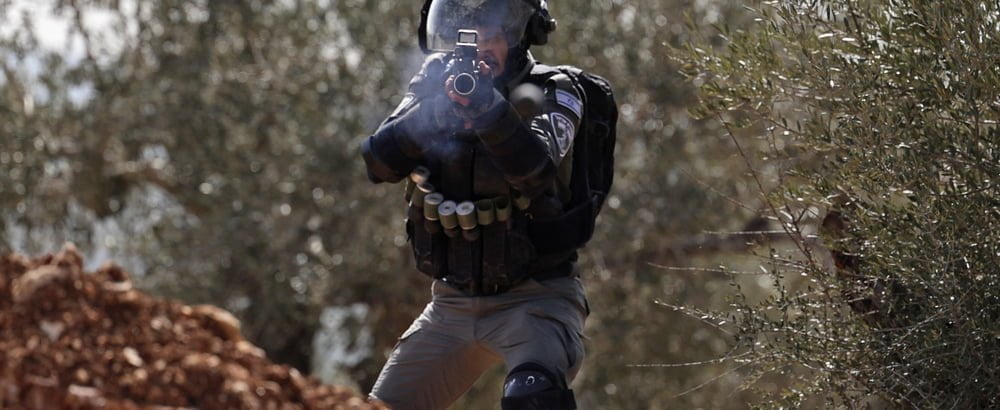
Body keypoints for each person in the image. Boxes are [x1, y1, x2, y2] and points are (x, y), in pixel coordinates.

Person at [361, 1, 612, 408]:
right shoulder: (433, 83)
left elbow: (536, 169)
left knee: (533, 397)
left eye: (492, 36)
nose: (480, 47)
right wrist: (435, 113)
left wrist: (488, 110)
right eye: (469, 34)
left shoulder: (558, 89)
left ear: (521, 37)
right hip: (451, 306)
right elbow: (377, 163)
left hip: (537, 301)